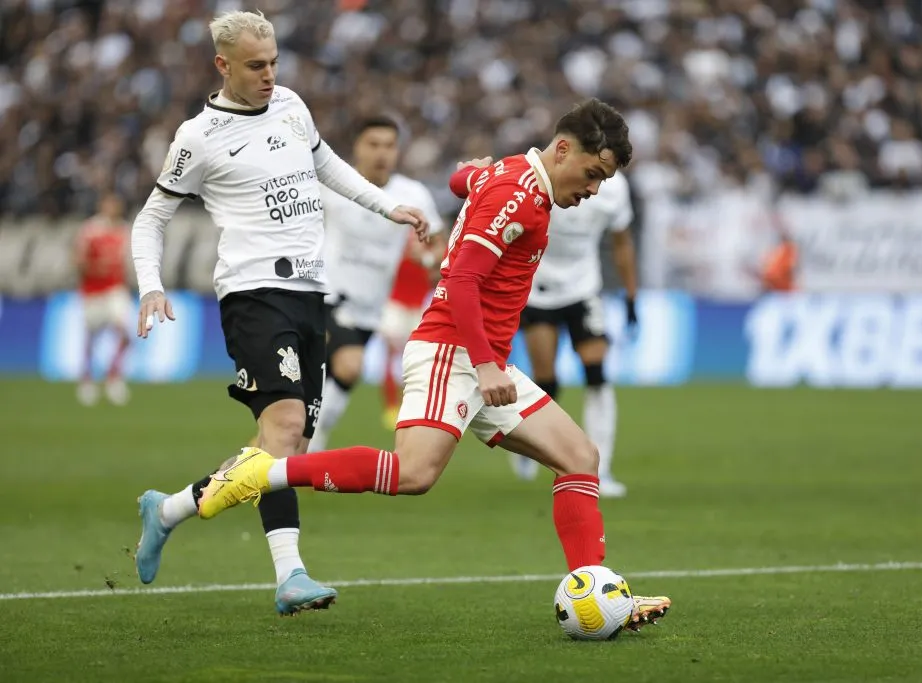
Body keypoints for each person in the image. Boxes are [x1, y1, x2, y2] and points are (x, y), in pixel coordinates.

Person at [195, 98, 671, 630]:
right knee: (413, 473)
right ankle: (261, 471)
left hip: (481, 357)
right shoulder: (518, 195)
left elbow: (455, 180)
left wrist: (474, 176)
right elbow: (463, 280)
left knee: (580, 457)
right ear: (563, 149)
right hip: (455, 351)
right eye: (592, 173)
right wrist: (488, 365)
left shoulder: (512, 175)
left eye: (603, 181)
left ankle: (597, 594)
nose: (593, 190)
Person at [129, 10, 428, 615]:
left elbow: (325, 166)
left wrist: (385, 207)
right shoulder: (198, 137)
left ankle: (168, 510)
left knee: (280, 450)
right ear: (223, 66)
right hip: (252, 294)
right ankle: (290, 576)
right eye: (255, 66)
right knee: (287, 433)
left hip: (310, 297)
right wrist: (149, 286)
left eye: (273, 63)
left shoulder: (291, 105)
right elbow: (151, 218)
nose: (268, 75)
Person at [307, 116, 444, 452]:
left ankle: (308, 436)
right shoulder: (333, 184)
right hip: (325, 294)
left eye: (389, 145)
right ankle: (309, 443)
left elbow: (440, 247)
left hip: (371, 306)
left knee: (333, 378)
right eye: (373, 144)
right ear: (357, 147)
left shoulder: (412, 194)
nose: (382, 153)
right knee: (350, 366)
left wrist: (426, 258)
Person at [512, 171, 638, 497]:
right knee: (546, 381)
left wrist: (631, 296)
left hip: (584, 288)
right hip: (539, 289)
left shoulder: (616, 189)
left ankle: (601, 469)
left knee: (596, 371)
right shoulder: (547, 176)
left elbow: (622, 242)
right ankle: (528, 445)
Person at [75, 192, 132, 407]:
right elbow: (79, 262)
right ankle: (87, 378)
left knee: (124, 333)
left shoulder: (124, 230)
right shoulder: (90, 231)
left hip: (115, 290)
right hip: (93, 291)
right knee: (91, 338)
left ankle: (113, 376)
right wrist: (99, 268)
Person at [379, 234, 442, 429]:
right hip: (395, 305)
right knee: (390, 355)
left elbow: (438, 272)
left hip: (418, 308)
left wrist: (426, 259)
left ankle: (411, 407)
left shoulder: (432, 239)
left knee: (414, 360)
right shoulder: (396, 239)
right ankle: (390, 407)